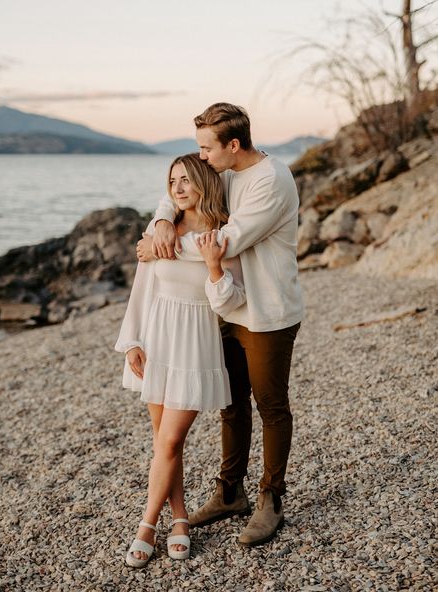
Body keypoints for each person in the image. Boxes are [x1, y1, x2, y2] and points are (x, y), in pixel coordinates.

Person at [137, 103, 304, 547]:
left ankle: (272, 499)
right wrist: (160, 223)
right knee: (232, 405)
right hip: (225, 308)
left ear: (233, 145)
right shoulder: (225, 171)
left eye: (206, 147)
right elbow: (177, 190)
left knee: (271, 405)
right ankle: (230, 492)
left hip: (267, 312)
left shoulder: (271, 180)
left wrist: (160, 248)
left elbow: (225, 241)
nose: (202, 155)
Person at [115, 153, 246, 568]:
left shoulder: (224, 237)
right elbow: (142, 290)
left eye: (187, 180)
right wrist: (132, 340)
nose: (179, 188)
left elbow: (230, 301)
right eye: (173, 181)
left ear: (205, 182)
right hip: (157, 338)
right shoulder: (161, 232)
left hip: (194, 343)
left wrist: (211, 266)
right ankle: (180, 520)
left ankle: (146, 526)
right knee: (164, 445)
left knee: (170, 440)